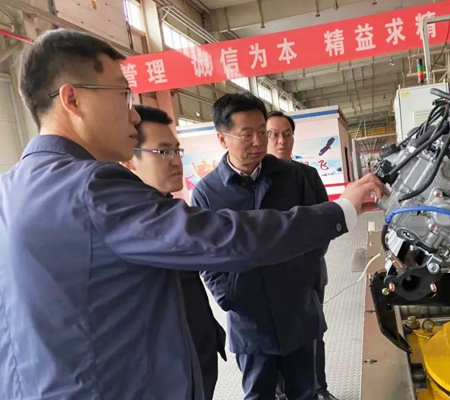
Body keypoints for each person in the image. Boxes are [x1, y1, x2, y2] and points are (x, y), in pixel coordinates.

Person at [0, 28, 385, 400]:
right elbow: (225, 237)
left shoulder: (10, 189)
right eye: (122, 95)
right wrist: (342, 209)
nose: (133, 117)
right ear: (72, 99)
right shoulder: (91, 187)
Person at [191, 93, 331, 400]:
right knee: (258, 394)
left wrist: (302, 278)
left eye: (261, 132)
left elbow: (318, 232)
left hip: (297, 308)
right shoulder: (207, 193)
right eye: (246, 135)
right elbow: (206, 257)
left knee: (305, 392)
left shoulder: (294, 177)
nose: (258, 142)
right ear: (222, 138)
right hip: (250, 319)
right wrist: (229, 296)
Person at [123, 104, 226, 400]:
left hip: (198, 351)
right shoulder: (129, 222)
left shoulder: (169, 208)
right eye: (163, 152)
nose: (176, 161)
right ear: (129, 159)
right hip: (166, 371)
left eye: (177, 151)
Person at [266, 111, 337, 400]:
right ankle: (281, 394)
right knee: (275, 337)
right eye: (273, 134)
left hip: (310, 272)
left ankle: (319, 389)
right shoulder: (256, 182)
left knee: (314, 332)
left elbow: (326, 222)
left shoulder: (308, 176)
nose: (281, 141)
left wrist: (309, 260)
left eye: (287, 134)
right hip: (269, 278)